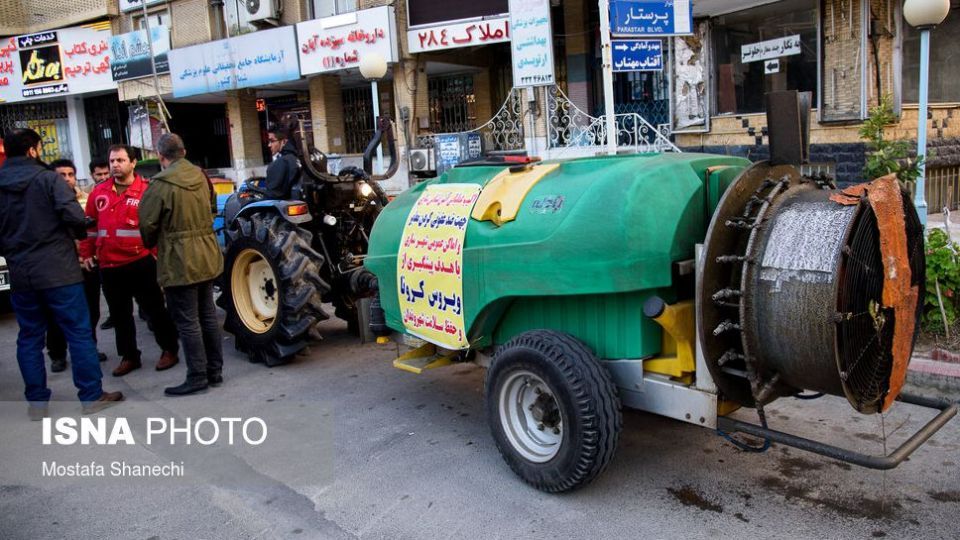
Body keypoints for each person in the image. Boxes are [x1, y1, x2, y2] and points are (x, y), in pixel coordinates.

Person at [0, 129, 122, 419]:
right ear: (32, 150)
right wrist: (77, 231)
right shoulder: (47, 180)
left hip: (21, 273)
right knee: (78, 333)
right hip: (59, 271)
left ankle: (37, 404)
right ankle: (91, 395)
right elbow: (75, 217)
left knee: (29, 337)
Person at [80, 144, 180, 377]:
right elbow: (90, 227)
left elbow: (159, 227)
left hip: (141, 262)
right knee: (120, 315)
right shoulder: (99, 192)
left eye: (120, 160)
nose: (115, 165)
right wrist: (86, 253)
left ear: (133, 163)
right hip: (109, 266)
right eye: (112, 160)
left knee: (155, 310)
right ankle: (129, 356)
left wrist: (160, 258)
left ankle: (169, 349)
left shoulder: (147, 190)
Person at [140, 133, 224, 396]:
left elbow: (148, 224)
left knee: (187, 321)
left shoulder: (160, 184)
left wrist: (163, 239)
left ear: (161, 156)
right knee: (207, 314)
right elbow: (212, 208)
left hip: (179, 258)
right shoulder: (201, 176)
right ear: (184, 152)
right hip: (207, 253)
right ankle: (214, 371)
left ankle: (197, 376)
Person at [44, 159, 107, 372]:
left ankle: (89, 349)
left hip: (87, 266)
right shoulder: (45, 203)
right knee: (56, 315)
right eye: (62, 175)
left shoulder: (86, 201)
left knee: (90, 311)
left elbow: (93, 231)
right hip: (59, 269)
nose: (67, 179)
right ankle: (57, 354)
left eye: (70, 174)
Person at [262, 127, 300, 200]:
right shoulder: (295, 158)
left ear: (284, 142)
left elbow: (272, 194)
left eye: (272, 141)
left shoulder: (281, 162)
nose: (269, 145)